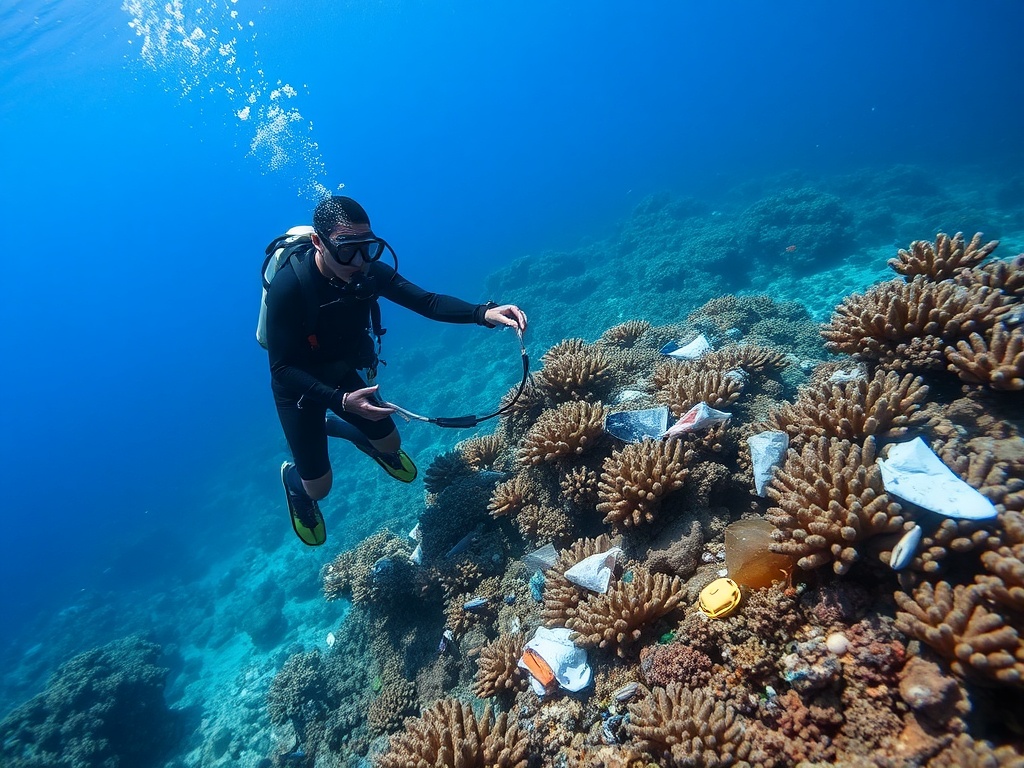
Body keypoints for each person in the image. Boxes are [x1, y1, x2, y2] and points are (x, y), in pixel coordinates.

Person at [265, 195, 527, 545]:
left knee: (390, 442)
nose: (359, 262)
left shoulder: (369, 272)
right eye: (346, 249)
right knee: (320, 488)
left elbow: (427, 302)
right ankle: (294, 481)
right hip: (298, 388)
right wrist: (341, 400)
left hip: (341, 374)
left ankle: (340, 430)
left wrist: (483, 313)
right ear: (318, 241)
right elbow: (282, 368)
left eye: (367, 247)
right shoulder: (289, 287)